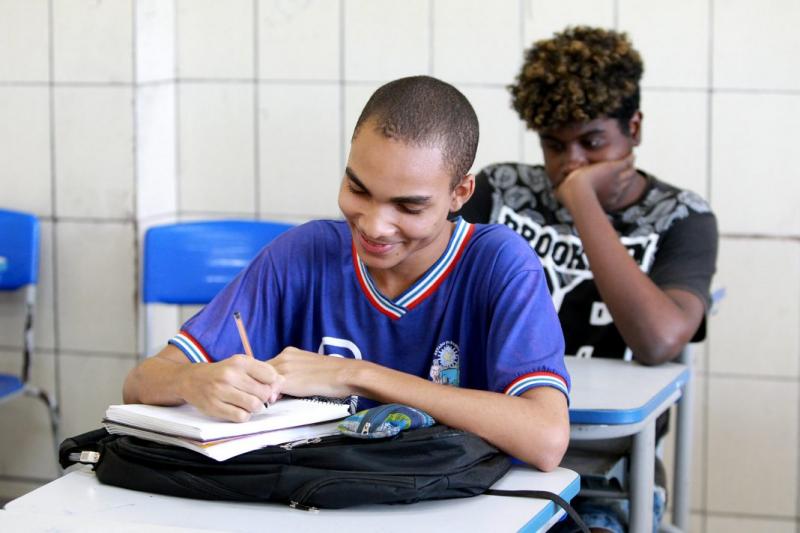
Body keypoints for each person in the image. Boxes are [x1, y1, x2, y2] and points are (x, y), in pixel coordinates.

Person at [123, 75, 571, 471]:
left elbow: (547, 438)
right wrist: (193, 381)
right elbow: (140, 383)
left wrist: (356, 375)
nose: (374, 225)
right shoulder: (304, 253)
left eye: (408, 206)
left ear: (459, 193)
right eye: (358, 188)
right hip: (312, 505)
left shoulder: (499, 264)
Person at [458, 27, 718, 532]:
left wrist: (581, 202)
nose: (571, 163)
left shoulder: (681, 217)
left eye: (592, 143)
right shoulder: (501, 190)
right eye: (555, 146)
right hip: (490, 451)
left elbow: (658, 340)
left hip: (608, 471)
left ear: (634, 129)